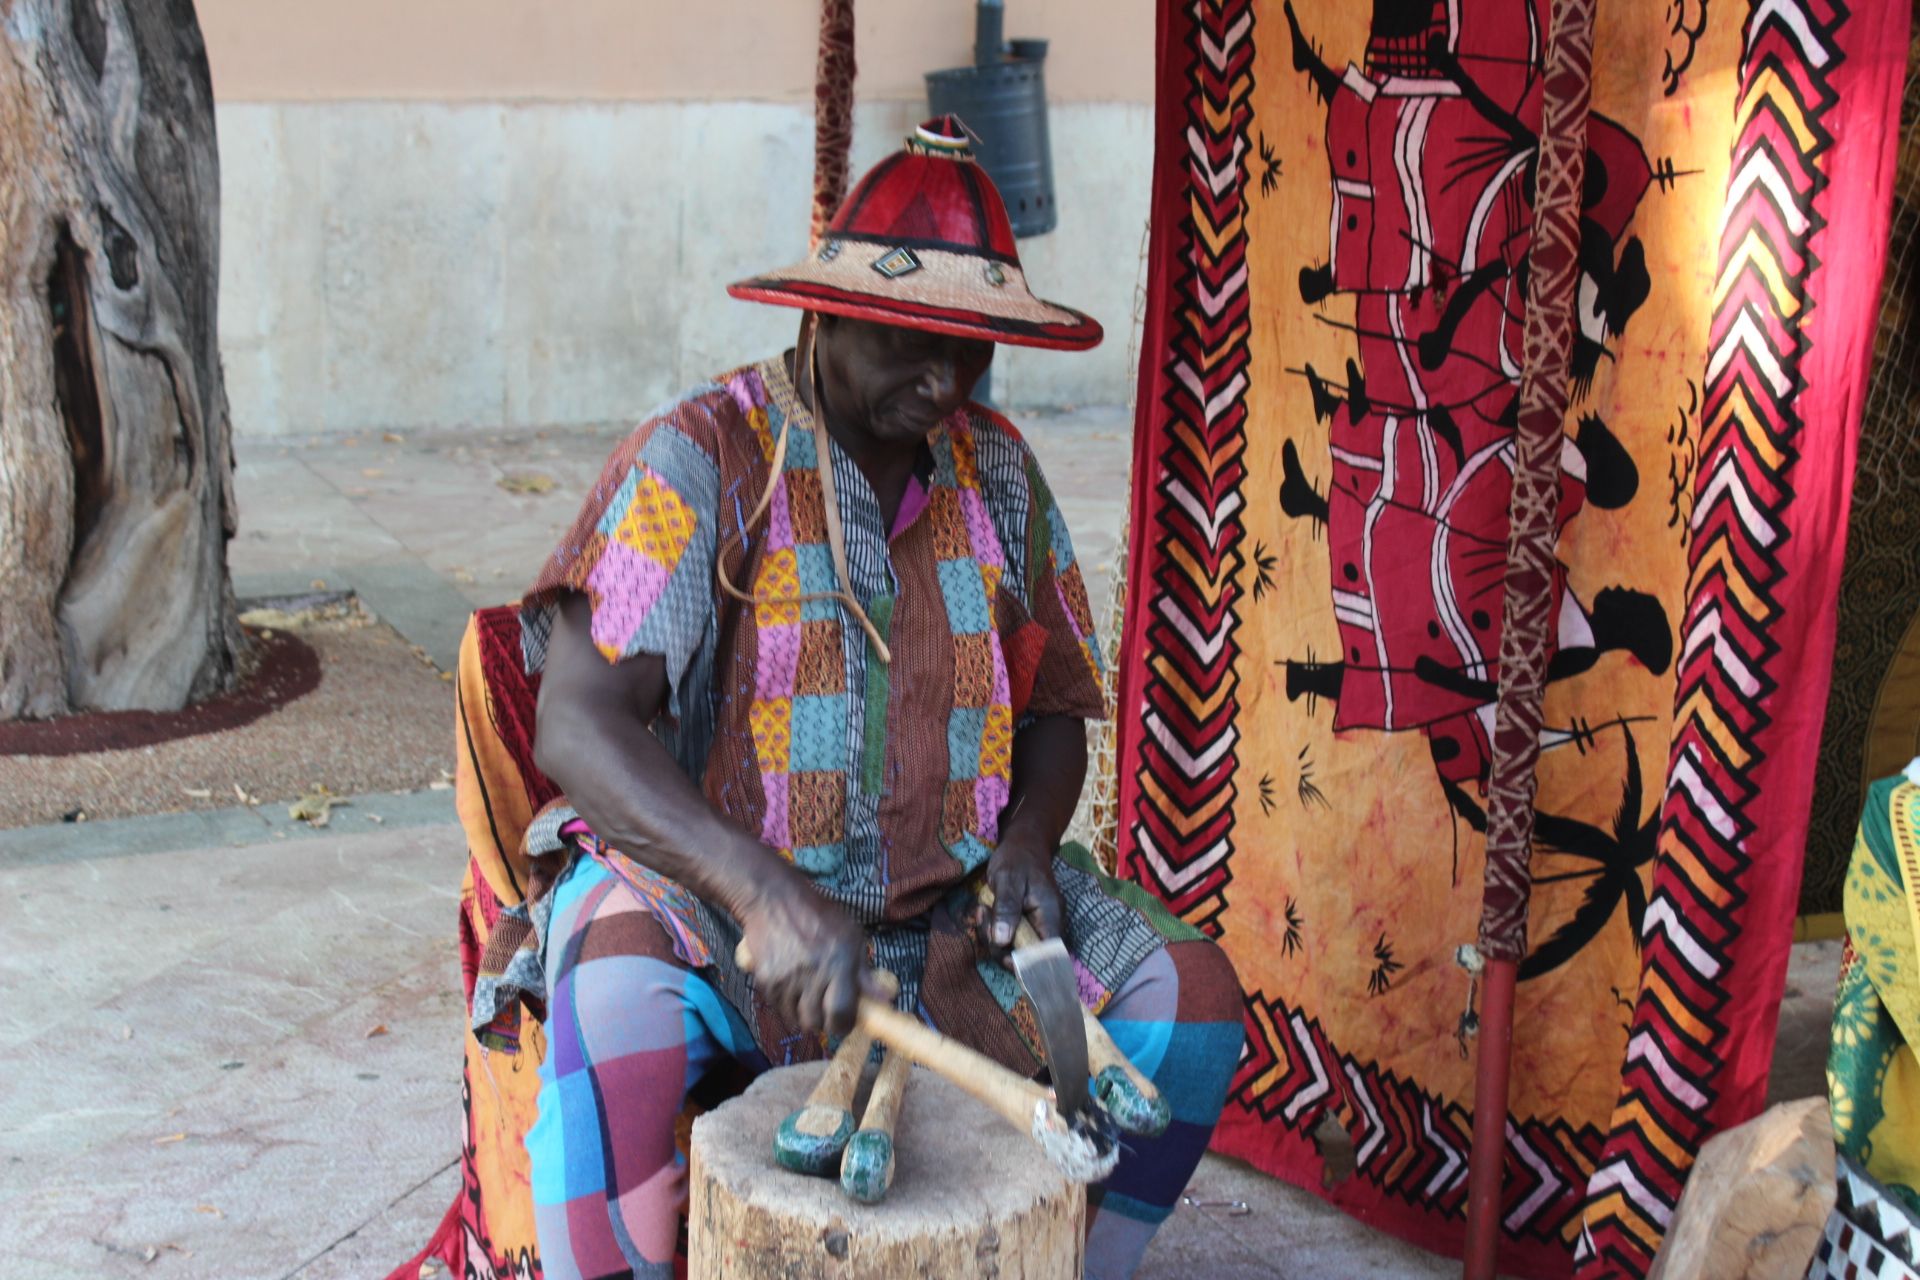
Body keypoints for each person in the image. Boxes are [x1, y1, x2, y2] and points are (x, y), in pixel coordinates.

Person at [482, 116, 1244, 1280]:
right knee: (614, 990)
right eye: (907, 340)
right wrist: (762, 888)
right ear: (825, 312)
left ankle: (1049, 1265)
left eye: (975, 348)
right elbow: (576, 721)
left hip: (953, 923)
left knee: (1188, 1004)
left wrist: (1031, 840)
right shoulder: (697, 457)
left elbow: (1051, 707)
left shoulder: (997, 469)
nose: (945, 380)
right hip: (724, 916)